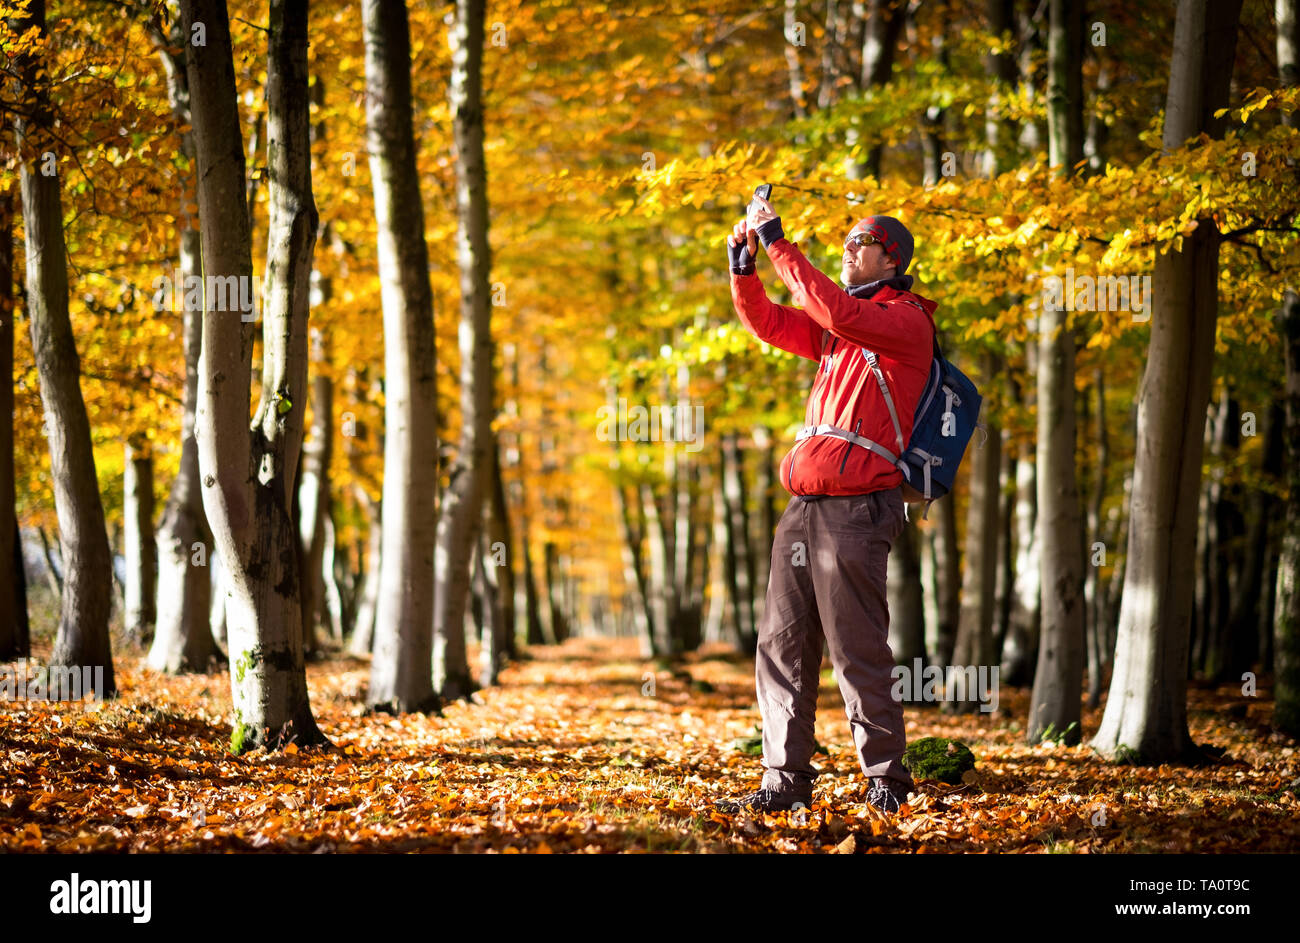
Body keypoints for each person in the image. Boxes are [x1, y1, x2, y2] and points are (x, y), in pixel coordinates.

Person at [715, 193, 937, 815]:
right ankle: (784, 779)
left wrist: (782, 243)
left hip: (860, 508)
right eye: (845, 242)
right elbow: (771, 323)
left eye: (860, 243)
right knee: (781, 646)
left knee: (857, 647)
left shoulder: (905, 321)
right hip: (803, 507)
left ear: (891, 260)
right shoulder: (841, 325)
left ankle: (887, 781)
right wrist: (744, 268)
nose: (847, 251)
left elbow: (832, 308)